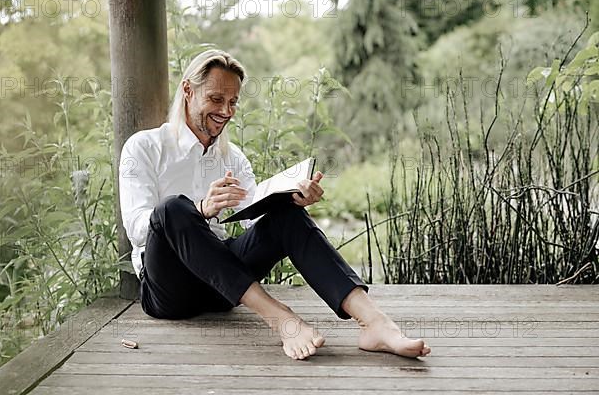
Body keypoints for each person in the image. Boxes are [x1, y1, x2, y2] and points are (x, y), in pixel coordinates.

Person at [119, 49, 431, 360]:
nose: (226, 111)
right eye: (216, 99)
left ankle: (375, 324)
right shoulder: (145, 147)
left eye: (233, 102)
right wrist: (199, 208)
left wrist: (293, 201)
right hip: (170, 292)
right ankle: (282, 320)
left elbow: (252, 222)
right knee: (172, 208)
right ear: (188, 90)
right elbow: (137, 230)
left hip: (224, 289)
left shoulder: (233, 158)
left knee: (285, 215)